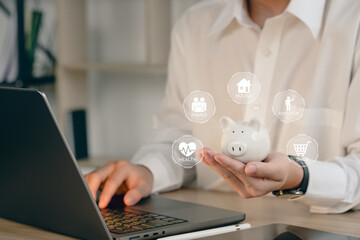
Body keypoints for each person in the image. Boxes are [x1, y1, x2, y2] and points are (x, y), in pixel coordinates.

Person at [85, 0, 360, 214]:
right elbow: (179, 137)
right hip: (215, 223)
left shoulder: (352, 23)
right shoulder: (195, 26)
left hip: (317, 227)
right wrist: (147, 171)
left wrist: (299, 177)